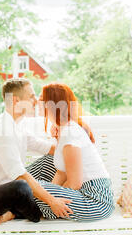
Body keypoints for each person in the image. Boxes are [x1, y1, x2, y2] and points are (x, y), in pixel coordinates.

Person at [0, 78, 73, 227]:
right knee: (21, 186)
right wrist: (52, 201)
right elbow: (20, 175)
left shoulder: (19, 124)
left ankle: (13, 212)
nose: (36, 100)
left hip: (10, 188)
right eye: (31, 96)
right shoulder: (0, 129)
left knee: (52, 159)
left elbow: (45, 147)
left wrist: (73, 147)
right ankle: (37, 211)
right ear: (17, 101)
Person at [33, 82, 115, 221]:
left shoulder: (71, 133)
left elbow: (74, 184)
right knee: (38, 181)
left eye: (41, 99)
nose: (36, 102)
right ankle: (20, 204)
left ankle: (15, 206)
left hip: (95, 200)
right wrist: (50, 195)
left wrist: (52, 198)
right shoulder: (65, 130)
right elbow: (61, 172)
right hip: (82, 194)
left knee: (31, 187)